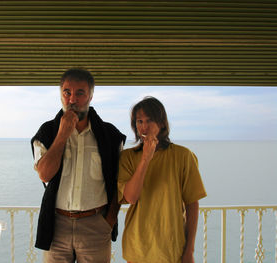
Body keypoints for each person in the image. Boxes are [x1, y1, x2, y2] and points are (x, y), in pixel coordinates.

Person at [31, 68, 126, 263]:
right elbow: (44, 175)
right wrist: (62, 134)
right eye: (67, 92)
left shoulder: (111, 136)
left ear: (91, 96)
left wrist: (109, 220)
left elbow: (120, 182)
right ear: (61, 96)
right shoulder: (47, 132)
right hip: (56, 226)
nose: (72, 99)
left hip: (96, 224)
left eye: (80, 93)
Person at [118, 96, 207, 263]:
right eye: (139, 121)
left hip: (172, 249)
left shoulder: (183, 156)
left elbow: (192, 205)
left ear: (162, 123)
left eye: (150, 120)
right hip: (137, 248)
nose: (144, 127)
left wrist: (190, 250)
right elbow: (131, 197)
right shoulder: (127, 157)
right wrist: (145, 158)